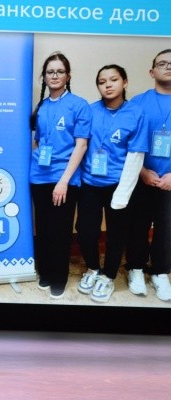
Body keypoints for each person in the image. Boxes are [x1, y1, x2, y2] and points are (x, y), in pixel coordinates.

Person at [76, 65, 148, 303]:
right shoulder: (90, 110)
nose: (107, 85)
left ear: (124, 82)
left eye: (113, 79)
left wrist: (123, 193)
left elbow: (136, 155)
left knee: (117, 234)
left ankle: (108, 276)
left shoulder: (136, 113)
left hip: (119, 184)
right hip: (89, 183)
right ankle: (93, 268)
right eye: (102, 81)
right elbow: (81, 145)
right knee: (85, 231)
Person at [29, 52, 92, 299]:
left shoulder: (79, 105)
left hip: (64, 178)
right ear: (44, 77)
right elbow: (38, 142)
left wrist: (64, 181)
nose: (54, 75)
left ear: (68, 76)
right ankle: (45, 272)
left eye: (59, 71)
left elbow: (81, 146)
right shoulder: (42, 106)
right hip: (38, 177)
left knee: (60, 230)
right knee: (43, 228)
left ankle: (58, 278)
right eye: (50, 72)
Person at [125, 49, 171, 302]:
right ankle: (135, 268)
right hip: (141, 177)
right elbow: (126, 142)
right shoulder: (137, 103)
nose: (168, 67)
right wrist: (141, 171)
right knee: (137, 226)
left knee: (167, 228)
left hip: (170, 181)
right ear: (152, 72)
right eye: (162, 63)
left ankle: (161, 272)